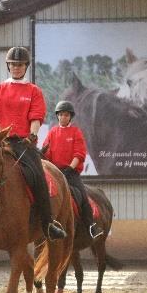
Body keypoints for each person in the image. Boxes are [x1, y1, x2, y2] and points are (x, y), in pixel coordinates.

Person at [0, 46, 67, 242]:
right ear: (8, 66)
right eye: (13, 65)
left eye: (20, 65)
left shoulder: (34, 91)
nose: (16, 68)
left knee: (37, 173)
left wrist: (33, 135)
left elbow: (36, 117)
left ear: (26, 66)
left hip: (21, 142)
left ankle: (47, 222)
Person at [42, 100, 103, 239]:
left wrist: (69, 168)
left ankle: (91, 226)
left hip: (71, 172)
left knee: (82, 197)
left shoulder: (76, 132)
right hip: (55, 172)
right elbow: (46, 153)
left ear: (70, 117)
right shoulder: (52, 132)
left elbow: (79, 154)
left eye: (66, 115)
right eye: (61, 114)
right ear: (58, 116)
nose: (64, 117)